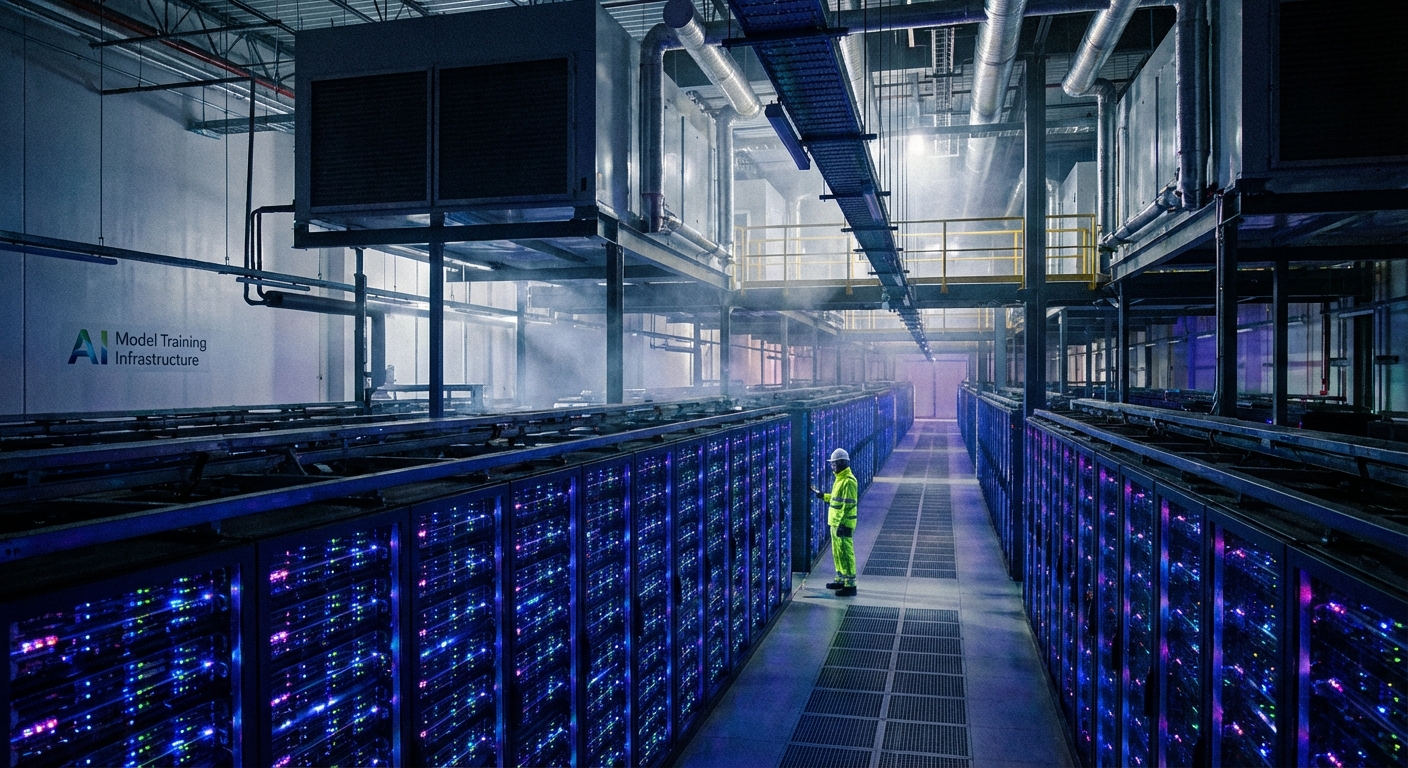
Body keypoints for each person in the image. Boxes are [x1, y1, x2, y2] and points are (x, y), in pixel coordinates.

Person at [813, 448, 858, 596]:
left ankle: (850, 585)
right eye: (832, 464)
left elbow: (847, 505)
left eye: (834, 463)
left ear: (842, 463)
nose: (832, 466)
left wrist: (841, 524)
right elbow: (835, 499)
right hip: (835, 523)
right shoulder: (839, 479)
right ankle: (840, 579)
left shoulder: (849, 481)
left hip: (843, 524)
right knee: (837, 553)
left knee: (846, 553)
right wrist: (823, 496)